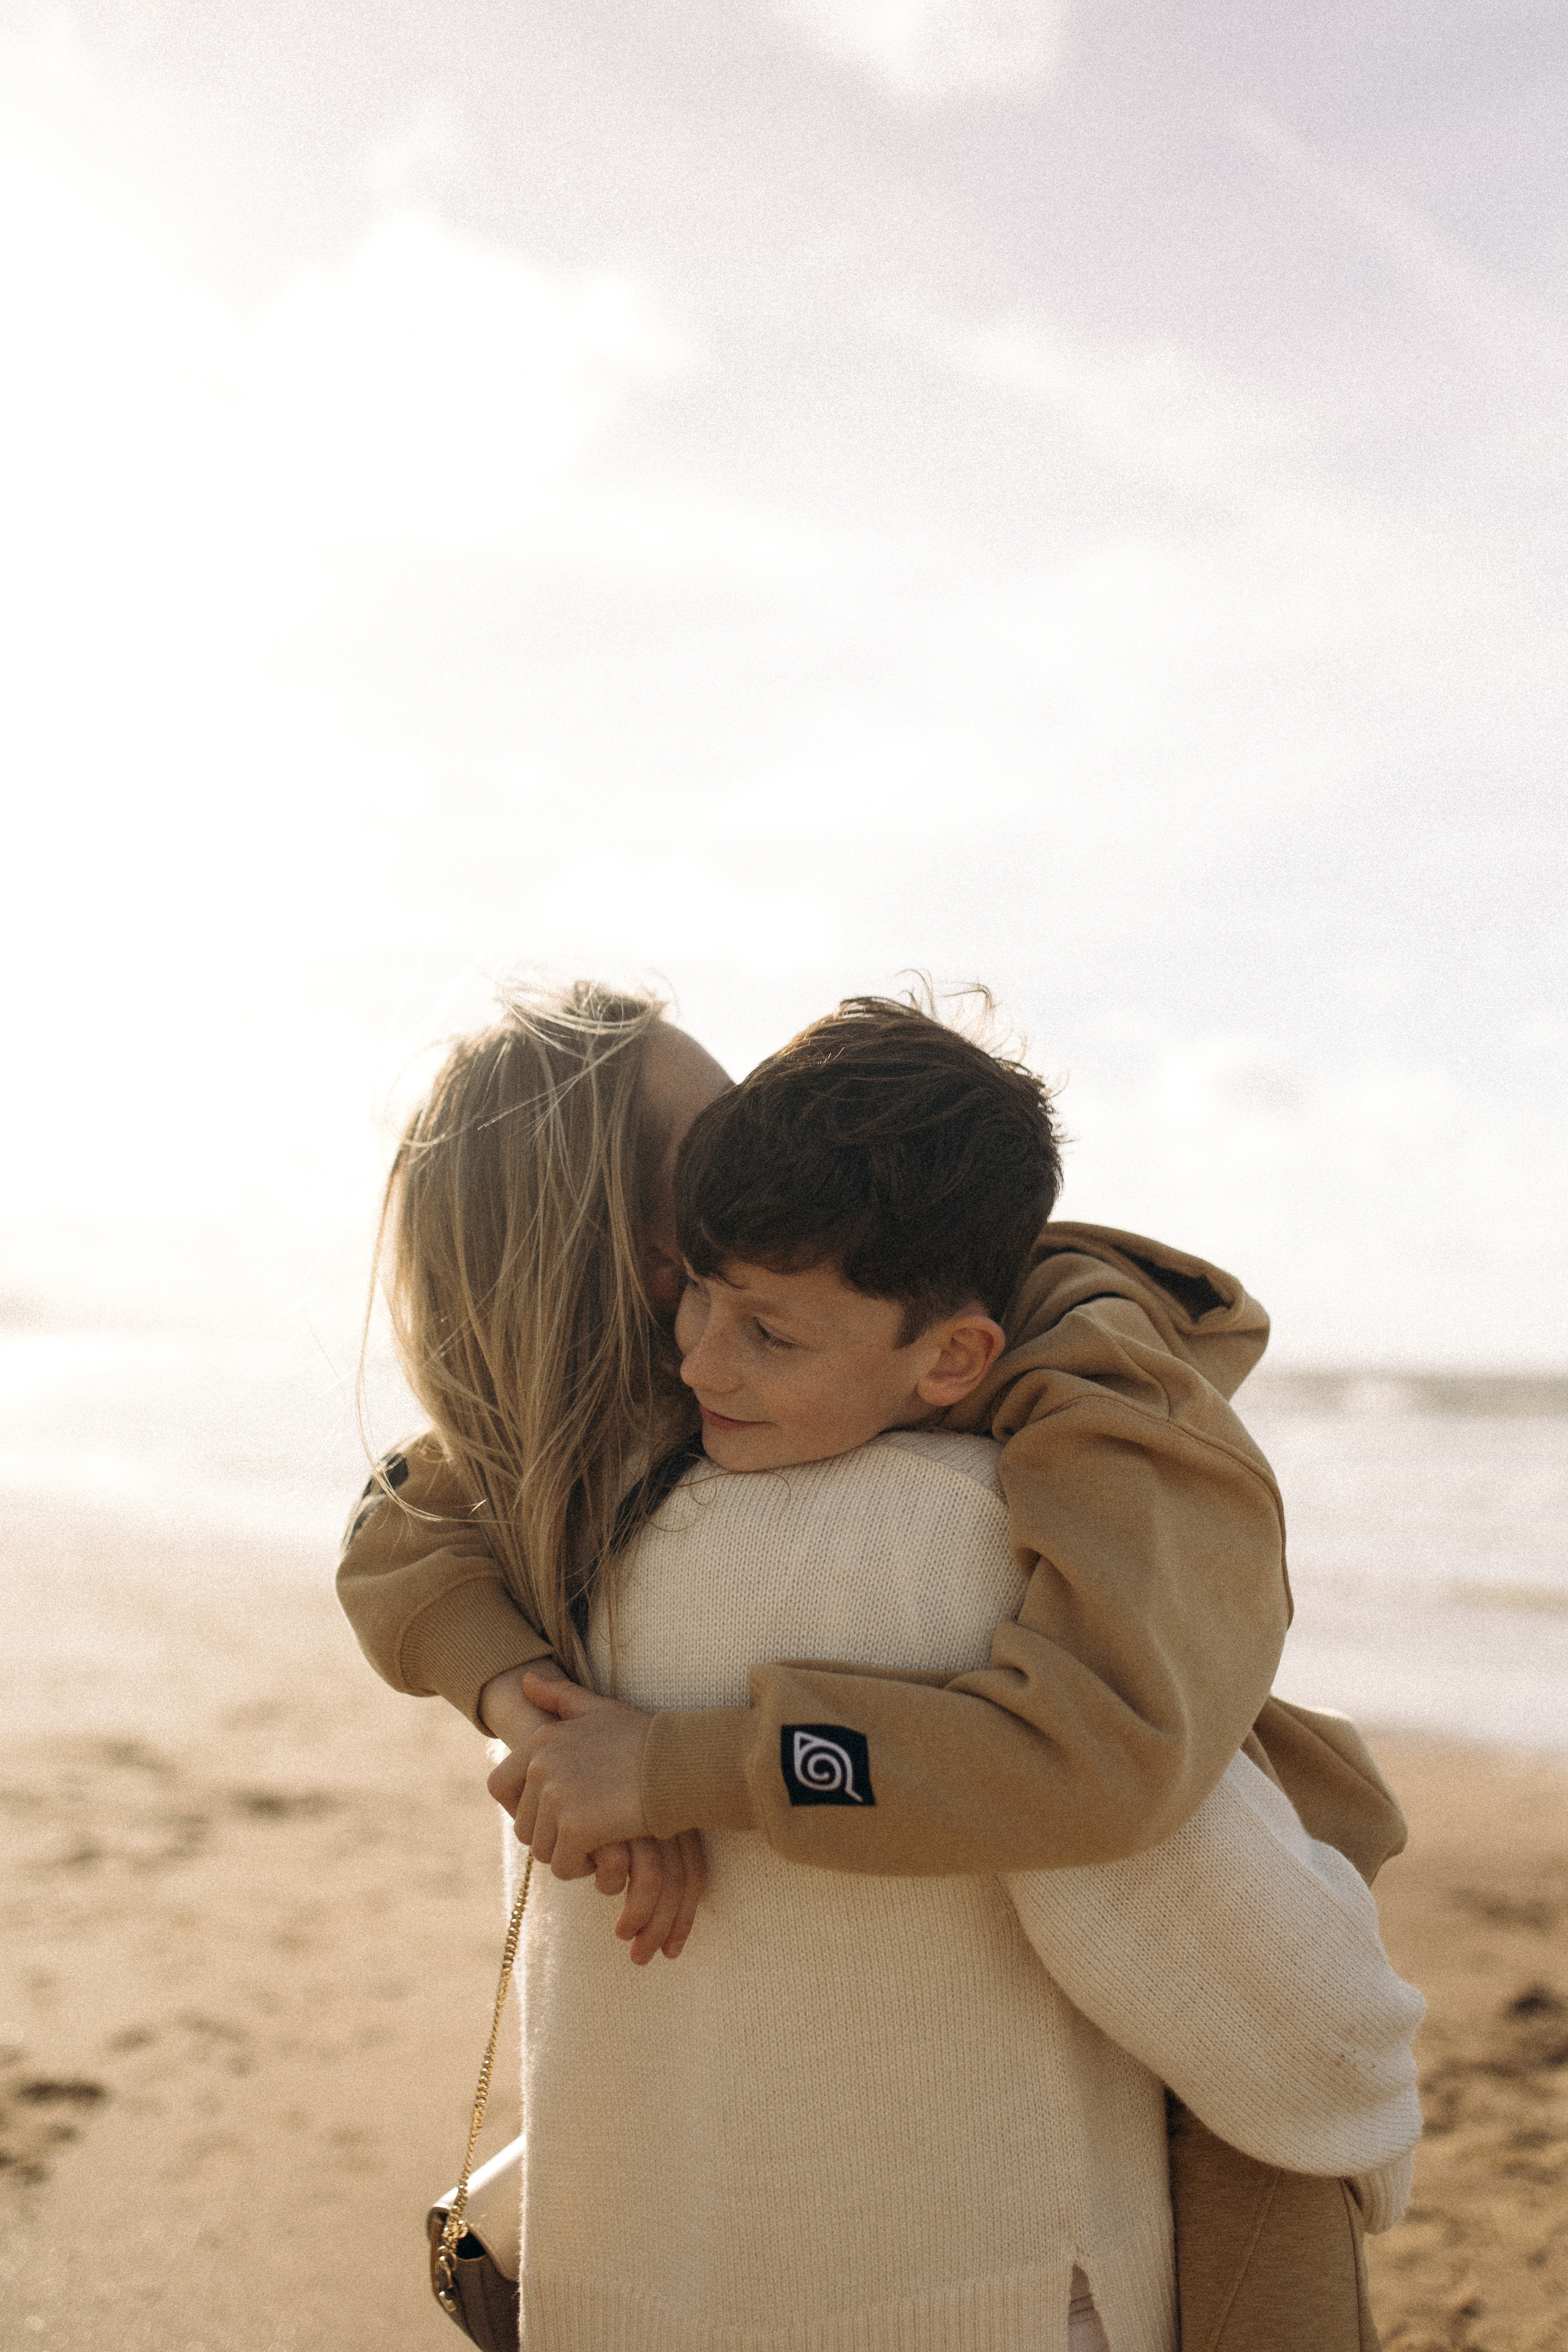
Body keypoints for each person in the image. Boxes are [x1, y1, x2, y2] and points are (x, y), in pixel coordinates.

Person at [340, 982, 1417, 2346]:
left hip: (638, 2280)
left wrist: (528, 1700)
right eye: (715, 1146)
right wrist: (1358, 2060)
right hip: (986, 2284)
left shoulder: (544, 1541)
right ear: (649, 1255)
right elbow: (1230, 1965)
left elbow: (394, 1518)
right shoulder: (952, 1535)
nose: (761, 1152)